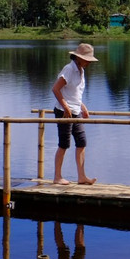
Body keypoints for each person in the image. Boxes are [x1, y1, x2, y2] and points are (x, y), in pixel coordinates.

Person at [51, 43, 99, 185]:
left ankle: (81, 177)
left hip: (75, 111)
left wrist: (82, 106)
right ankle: (57, 177)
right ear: (78, 58)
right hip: (63, 111)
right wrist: (65, 107)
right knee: (64, 144)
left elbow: (74, 93)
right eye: (87, 59)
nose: (89, 62)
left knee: (81, 141)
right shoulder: (69, 69)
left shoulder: (81, 70)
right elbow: (55, 89)